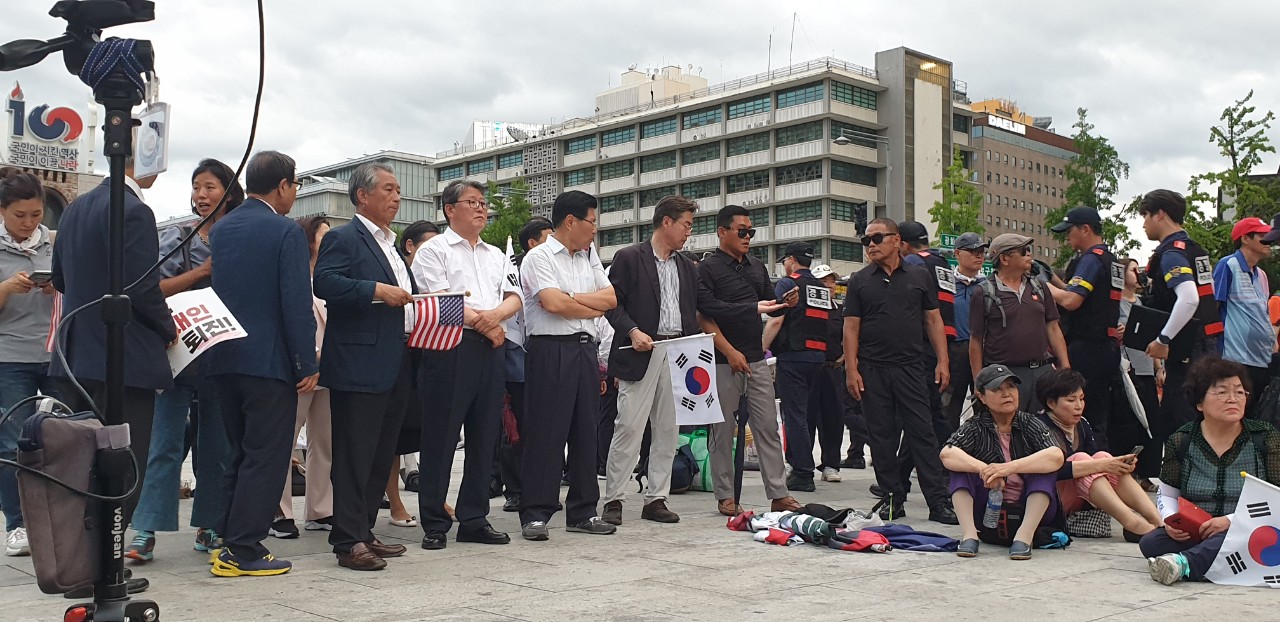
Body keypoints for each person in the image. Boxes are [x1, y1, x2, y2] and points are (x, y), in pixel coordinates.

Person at [50, 155, 176, 588]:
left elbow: (61, 279)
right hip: (123, 357)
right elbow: (141, 286)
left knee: (82, 465)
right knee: (123, 463)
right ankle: (104, 565)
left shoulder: (76, 208)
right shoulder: (135, 211)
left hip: (75, 355)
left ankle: (80, 562)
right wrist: (168, 327)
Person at [203, 151, 318, 577]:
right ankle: (244, 548)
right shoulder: (285, 231)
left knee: (238, 453)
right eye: (295, 185)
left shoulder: (223, 227)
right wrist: (305, 361)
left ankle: (226, 537)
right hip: (268, 361)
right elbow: (295, 301)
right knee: (266, 456)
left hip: (223, 355)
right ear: (283, 185)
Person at [126, 159, 242, 562]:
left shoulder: (238, 238)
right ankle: (145, 529)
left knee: (217, 445)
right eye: (197, 187)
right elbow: (153, 287)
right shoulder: (177, 236)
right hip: (176, 354)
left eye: (210, 187)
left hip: (221, 355)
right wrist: (201, 272)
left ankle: (209, 525)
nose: (201, 195)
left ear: (229, 193)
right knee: (163, 443)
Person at [312, 163, 420, 571]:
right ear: (362, 196)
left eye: (398, 190)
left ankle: (364, 529)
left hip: (397, 359)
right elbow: (325, 282)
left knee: (381, 453)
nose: (397, 197)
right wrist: (375, 290)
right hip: (359, 363)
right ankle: (347, 540)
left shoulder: (392, 244)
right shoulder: (344, 237)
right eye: (388, 189)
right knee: (354, 455)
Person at [412, 180, 520, 549]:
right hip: (450, 347)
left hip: (492, 347)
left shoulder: (496, 254)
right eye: (471, 202)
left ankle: (474, 517)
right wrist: (486, 323)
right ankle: (435, 521)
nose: (481, 208)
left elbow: (514, 295)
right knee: (441, 436)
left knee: (485, 435)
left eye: (483, 202)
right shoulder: (433, 250)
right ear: (449, 209)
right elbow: (439, 299)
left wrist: (495, 319)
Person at [517, 190, 617, 540]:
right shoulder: (539, 257)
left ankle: (583, 511)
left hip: (586, 351)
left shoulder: (589, 257)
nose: (595, 228)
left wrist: (572, 298)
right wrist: (587, 306)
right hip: (550, 349)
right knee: (547, 432)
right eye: (591, 221)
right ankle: (536, 513)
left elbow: (610, 299)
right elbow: (552, 303)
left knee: (585, 432)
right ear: (571, 221)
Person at [843, 218, 957, 524]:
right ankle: (892, 499)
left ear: (896, 240)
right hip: (872, 369)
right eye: (866, 241)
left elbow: (933, 320)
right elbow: (850, 328)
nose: (871, 245)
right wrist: (851, 369)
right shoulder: (859, 281)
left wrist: (943, 361)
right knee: (881, 436)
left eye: (877, 238)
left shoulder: (919, 276)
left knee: (923, 433)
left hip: (912, 367)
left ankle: (938, 502)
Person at [601, 195, 704, 526]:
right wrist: (632, 331)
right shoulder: (629, 258)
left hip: (679, 352)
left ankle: (657, 497)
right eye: (686, 224)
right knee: (629, 426)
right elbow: (612, 305)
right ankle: (614, 498)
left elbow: (702, 307)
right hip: (641, 349)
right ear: (667, 222)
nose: (689, 231)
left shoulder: (687, 267)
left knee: (668, 429)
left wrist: (753, 307)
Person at [695, 204, 799, 517]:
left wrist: (786, 303)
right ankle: (726, 494)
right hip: (721, 359)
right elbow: (704, 313)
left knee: (767, 426)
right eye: (742, 231)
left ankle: (779, 493)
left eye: (751, 231)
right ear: (722, 231)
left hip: (755, 359)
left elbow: (768, 304)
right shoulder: (708, 268)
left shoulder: (756, 266)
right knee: (722, 429)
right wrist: (729, 351)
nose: (748, 237)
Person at [1141, 356, 1280, 585]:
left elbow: (1276, 497)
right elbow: (1167, 494)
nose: (1233, 399)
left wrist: (1230, 521)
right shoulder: (1182, 440)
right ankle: (1214, 562)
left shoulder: (1264, 437)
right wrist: (1170, 520)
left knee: (1245, 538)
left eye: (1239, 392)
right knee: (1151, 543)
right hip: (1200, 530)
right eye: (1222, 392)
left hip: (1250, 527)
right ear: (1199, 402)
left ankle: (1185, 563)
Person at [941, 364, 1065, 559]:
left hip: (1028, 510)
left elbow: (1056, 455)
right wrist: (986, 470)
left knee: (1043, 470)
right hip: (988, 512)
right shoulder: (975, 426)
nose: (1007, 394)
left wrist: (1007, 469)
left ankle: (1024, 538)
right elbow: (947, 453)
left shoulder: (1029, 422)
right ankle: (969, 536)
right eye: (997, 389)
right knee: (960, 468)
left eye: (1011, 387)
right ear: (982, 397)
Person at [0, 168, 59, 558]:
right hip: (9, 357)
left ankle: (60, 519)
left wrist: (58, 285)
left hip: (55, 353)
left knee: (64, 439)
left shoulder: (54, 243)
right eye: (19, 215)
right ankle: (17, 524)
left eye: (36, 214)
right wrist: (6, 288)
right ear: (2, 210)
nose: (28, 222)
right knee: (11, 444)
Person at [1034, 368, 1162, 539]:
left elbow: (1096, 458)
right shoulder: (1038, 427)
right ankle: (1132, 523)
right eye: (1071, 400)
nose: (1079, 406)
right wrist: (1102, 465)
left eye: (1081, 399)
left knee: (1103, 457)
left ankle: (1157, 520)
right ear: (1051, 403)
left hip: (1081, 498)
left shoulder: (1082, 424)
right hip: (1048, 501)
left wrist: (1119, 465)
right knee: (1085, 459)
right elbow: (1051, 470)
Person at [1139, 190, 1220, 436]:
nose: (1143, 224)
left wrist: (1163, 339)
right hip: (1208, 344)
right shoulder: (1196, 250)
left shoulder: (1172, 253)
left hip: (1188, 349)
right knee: (1203, 418)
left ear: (1160, 215)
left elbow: (1189, 298)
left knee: (1181, 421)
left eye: (1145, 216)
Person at [274, 216, 334, 537]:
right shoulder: (293, 276)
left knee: (324, 441)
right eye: (324, 236)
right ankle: (279, 512)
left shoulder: (330, 277)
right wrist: (308, 361)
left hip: (329, 369)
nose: (330, 241)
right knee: (285, 441)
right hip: (299, 370)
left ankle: (320, 509)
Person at [1046, 207, 1124, 450]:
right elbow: (1083, 293)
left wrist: (1041, 285)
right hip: (1108, 346)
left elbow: (1072, 301)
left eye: (1069, 231)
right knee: (1102, 413)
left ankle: (1087, 462)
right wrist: (1053, 279)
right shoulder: (1111, 260)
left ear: (1085, 229)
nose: (1067, 237)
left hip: (1088, 346)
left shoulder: (1091, 259)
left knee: (1080, 412)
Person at [969, 233, 1070, 412]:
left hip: (1042, 371)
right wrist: (979, 381)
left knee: (1043, 425)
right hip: (1005, 377)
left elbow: (1053, 328)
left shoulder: (1040, 287)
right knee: (1008, 425)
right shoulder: (983, 292)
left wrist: (1065, 366)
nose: (1029, 255)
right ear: (1004, 259)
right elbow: (976, 339)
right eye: (1023, 251)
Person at [762, 241, 826, 492]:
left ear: (791, 260)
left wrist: (761, 350)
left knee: (794, 415)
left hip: (793, 356)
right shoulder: (821, 287)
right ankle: (803, 463)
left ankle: (802, 472)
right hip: (819, 358)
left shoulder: (788, 284)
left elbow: (776, 321)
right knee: (807, 415)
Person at [499, 217, 552, 513]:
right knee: (514, 428)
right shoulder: (511, 270)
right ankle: (515, 490)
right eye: (548, 238)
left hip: (545, 355)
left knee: (543, 427)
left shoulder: (554, 267)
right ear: (532, 243)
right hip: (516, 356)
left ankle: (540, 487)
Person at [390, 219, 440, 499]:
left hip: (427, 352)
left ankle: (434, 497)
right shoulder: (397, 272)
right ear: (410, 245)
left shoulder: (436, 274)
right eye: (429, 245)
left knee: (426, 428)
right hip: (399, 350)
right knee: (395, 434)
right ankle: (394, 499)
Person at [1216, 217, 1275, 415]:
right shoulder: (1228, 265)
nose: (1269, 240)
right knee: (1237, 415)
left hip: (1262, 357)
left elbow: (1263, 313)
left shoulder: (1262, 275)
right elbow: (1214, 307)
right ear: (1245, 239)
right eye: (1263, 236)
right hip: (1236, 358)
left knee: (1257, 416)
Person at [804, 264, 852, 480]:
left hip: (833, 370)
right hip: (809, 369)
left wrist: (845, 357)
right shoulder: (808, 308)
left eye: (832, 281)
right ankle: (801, 463)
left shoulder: (840, 310)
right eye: (824, 281)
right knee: (806, 417)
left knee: (833, 418)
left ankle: (831, 464)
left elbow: (849, 335)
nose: (830, 285)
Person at [1118, 258, 1162, 481]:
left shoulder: (1143, 302)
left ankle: (1149, 473)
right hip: (1128, 369)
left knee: (1153, 420)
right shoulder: (1116, 303)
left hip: (1146, 367)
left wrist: (1158, 367)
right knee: (1130, 422)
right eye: (1133, 270)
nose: (1138, 273)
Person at [945, 232, 988, 432]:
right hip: (954, 350)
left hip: (984, 349)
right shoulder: (945, 284)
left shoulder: (988, 285)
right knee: (948, 408)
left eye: (981, 252)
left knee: (986, 405)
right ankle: (948, 447)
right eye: (972, 251)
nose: (978, 256)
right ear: (957, 254)